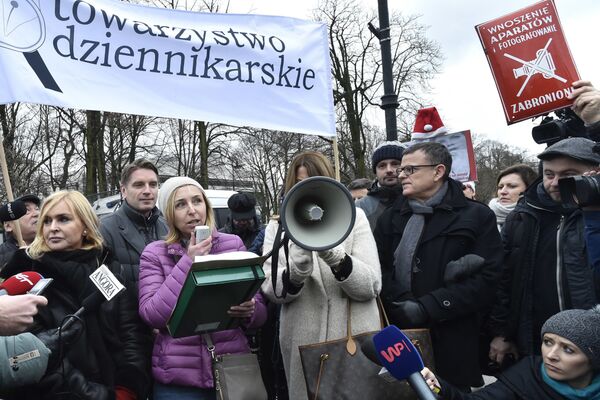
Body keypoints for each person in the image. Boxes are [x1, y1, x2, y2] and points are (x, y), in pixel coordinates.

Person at [374, 142, 504, 390]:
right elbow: (379, 268)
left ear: (438, 171)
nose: (401, 175)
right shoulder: (390, 218)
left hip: (455, 337)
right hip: (401, 333)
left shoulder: (477, 216)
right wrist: (402, 303)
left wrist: (428, 306)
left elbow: (489, 278)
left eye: (410, 170)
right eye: (402, 170)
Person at [0, 190, 150, 399]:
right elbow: (38, 357)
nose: (53, 228)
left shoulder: (108, 269)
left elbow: (131, 334)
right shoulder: (27, 275)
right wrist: (98, 396)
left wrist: (128, 388)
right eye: (47, 221)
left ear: (86, 227)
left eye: (63, 219)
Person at [261, 151, 382, 400]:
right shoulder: (277, 227)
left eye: (313, 182)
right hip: (303, 344)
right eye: (299, 183)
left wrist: (336, 258)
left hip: (354, 341)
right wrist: (296, 271)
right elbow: (272, 290)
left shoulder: (354, 218)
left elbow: (371, 286)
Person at [138, 177, 267, 399]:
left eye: (197, 201)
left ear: (205, 206)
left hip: (232, 368)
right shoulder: (155, 253)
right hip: (178, 380)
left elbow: (261, 313)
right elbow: (152, 315)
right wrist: (189, 261)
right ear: (169, 214)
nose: (191, 210)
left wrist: (251, 309)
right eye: (180, 204)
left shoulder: (233, 243)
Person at [488, 137, 599, 368]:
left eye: (568, 174)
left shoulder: (594, 218)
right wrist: (503, 334)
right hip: (537, 344)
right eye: (549, 174)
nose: (556, 182)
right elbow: (504, 281)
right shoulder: (521, 217)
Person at [422, 307, 600, 399]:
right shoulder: (526, 377)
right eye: (548, 342)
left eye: (568, 349)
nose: (551, 355)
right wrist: (439, 387)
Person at [100, 159, 168, 286]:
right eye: (139, 185)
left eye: (153, 184)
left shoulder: (168, 228)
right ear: (124, 190)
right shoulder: (103, 230)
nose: (148, 191)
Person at [356, 141, 406, 231]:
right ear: (375, 171)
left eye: (395, 164)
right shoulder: (360, 208)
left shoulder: (421, 199)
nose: (389, 170)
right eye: (382, 166)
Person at [488, 164, 537, 231]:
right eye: (500, 187)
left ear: (529, 189)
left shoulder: (538, 223)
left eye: (512, 186)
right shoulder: (482, 218)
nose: (503, 191)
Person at [0, 194, 40, 268]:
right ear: (8, 226)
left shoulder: (54, 249)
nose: (37, 214)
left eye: (37, 209)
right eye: (27, 210)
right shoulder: (3, 259)